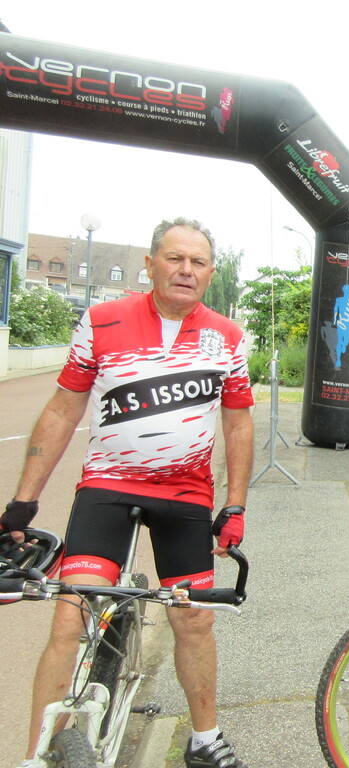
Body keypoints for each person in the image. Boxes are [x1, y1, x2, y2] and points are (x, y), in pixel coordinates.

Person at [1, 218, 254, 768]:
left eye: (198, 262)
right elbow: (63, 408)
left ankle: (205, 738)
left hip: (185, 495)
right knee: (71, 614)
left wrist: (235, 504)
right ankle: (37, 754)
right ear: (150, 263)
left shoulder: (229, 337)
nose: (185, 270)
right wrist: (24, 500)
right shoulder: (102, 320)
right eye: (174, 258)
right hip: (107, 487)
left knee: (194, 617)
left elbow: (238, 423)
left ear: (210, 272)